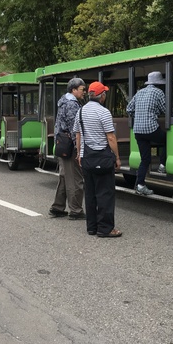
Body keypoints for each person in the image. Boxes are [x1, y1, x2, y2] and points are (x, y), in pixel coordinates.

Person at [127, 71, 173, 196]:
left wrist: (139, 116)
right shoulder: (158, 92)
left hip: (138, 131)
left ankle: (140, 185)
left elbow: (129, 109)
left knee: (145, 159)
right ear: (159, 83)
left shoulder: (139, 92)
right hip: (151, 128)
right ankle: (162, 165)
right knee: (168, 140)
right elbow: (167, 111)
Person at [73, 81, 122, 238]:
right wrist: (117, 157)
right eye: (105, 93)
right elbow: (111, 137)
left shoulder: (80, 112)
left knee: (90, 193)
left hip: (86, 158)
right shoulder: (104, 112)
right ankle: (105, 228)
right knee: (105, 193)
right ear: (102, 96)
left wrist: (79, 154)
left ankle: (92, 227)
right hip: (102, 158)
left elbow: (78, 135)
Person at [49, 78, 87, 219]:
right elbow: (74, 128)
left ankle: (58, 207)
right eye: (82, 89)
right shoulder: (72, 105)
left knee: (65, 177)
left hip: (62, 144)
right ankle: (76, 210)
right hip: (70, 145)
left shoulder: (63, 101)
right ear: (74, 90)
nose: (84, 92)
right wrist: (79, 147)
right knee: (75, 178)